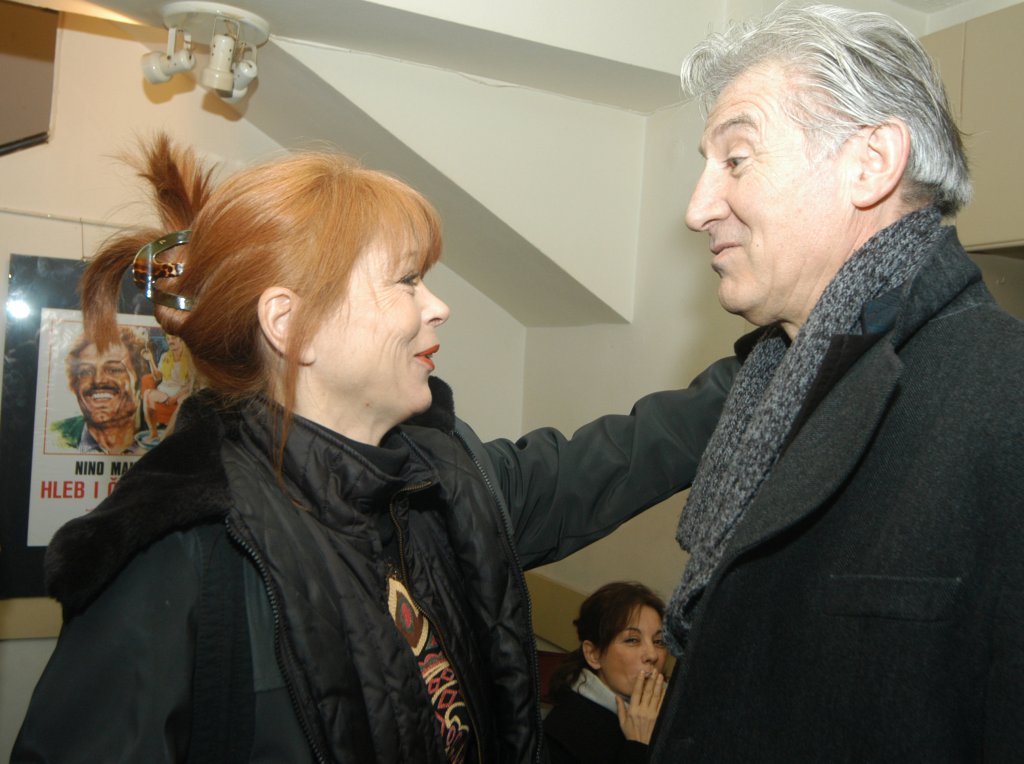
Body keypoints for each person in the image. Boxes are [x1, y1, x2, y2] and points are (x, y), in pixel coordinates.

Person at [13, 133, 737, 763]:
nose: (438, 306)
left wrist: (775, 361)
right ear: (290, 325)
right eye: (407, 280)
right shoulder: (182, 552)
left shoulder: (445, 484)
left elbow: (622, 456)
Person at [650, 4, 1024, 761]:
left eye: (736, 159)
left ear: (871, 162)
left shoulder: (1005, 398)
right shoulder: (772, 390)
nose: (696, 210)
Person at [543, 582, 668, 764]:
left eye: (659, 642)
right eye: (632, 640)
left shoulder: (675, 707)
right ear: (593, 654)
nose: (652, 655)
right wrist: (638, 745)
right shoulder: (561, 734)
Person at [48, 328, 147, 455]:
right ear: (75, 385)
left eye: (114, 370)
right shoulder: (55, 435)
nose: (98, 380)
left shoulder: (165, 435)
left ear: (140, 379)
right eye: (86, 371)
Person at [140, 332, 194, 442]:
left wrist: (175, 397)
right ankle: (154, 433)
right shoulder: (165, 356)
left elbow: (191, 383)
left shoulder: (190, 358)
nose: (170, 341)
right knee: (147, 394)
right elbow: (157, 377)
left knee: (184, 400)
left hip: (181, 391)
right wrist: (150, 360)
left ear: (181, 339)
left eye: (173, 338)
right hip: (164, 390)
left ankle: (174, 435)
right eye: (168, 339)